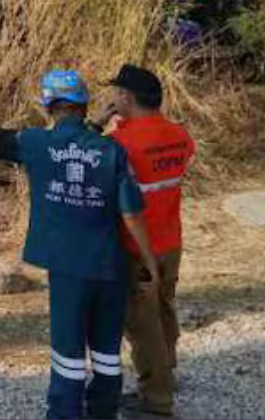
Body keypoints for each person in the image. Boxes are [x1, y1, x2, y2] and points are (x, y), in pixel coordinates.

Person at [0, 70, 160, 420]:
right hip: (109, 265)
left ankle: (64, 412)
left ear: (48, 107)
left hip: (67, 268)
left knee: (68, 350)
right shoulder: (111, 150)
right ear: (84, 106)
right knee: (106, 351)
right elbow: (131, 213)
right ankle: (102, 411)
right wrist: (149, 260)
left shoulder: (34, 143)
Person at [97, 65, 196, 419]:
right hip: (171, 242)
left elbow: (88, 154)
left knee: (143, 325)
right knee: (165, 309)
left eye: (116, 94)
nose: (112, 99)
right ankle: (166, 376)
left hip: (137, 250)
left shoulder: (120, 145)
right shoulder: (180, 136)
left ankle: (156, 402)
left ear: (126, 98)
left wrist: (98, 122)